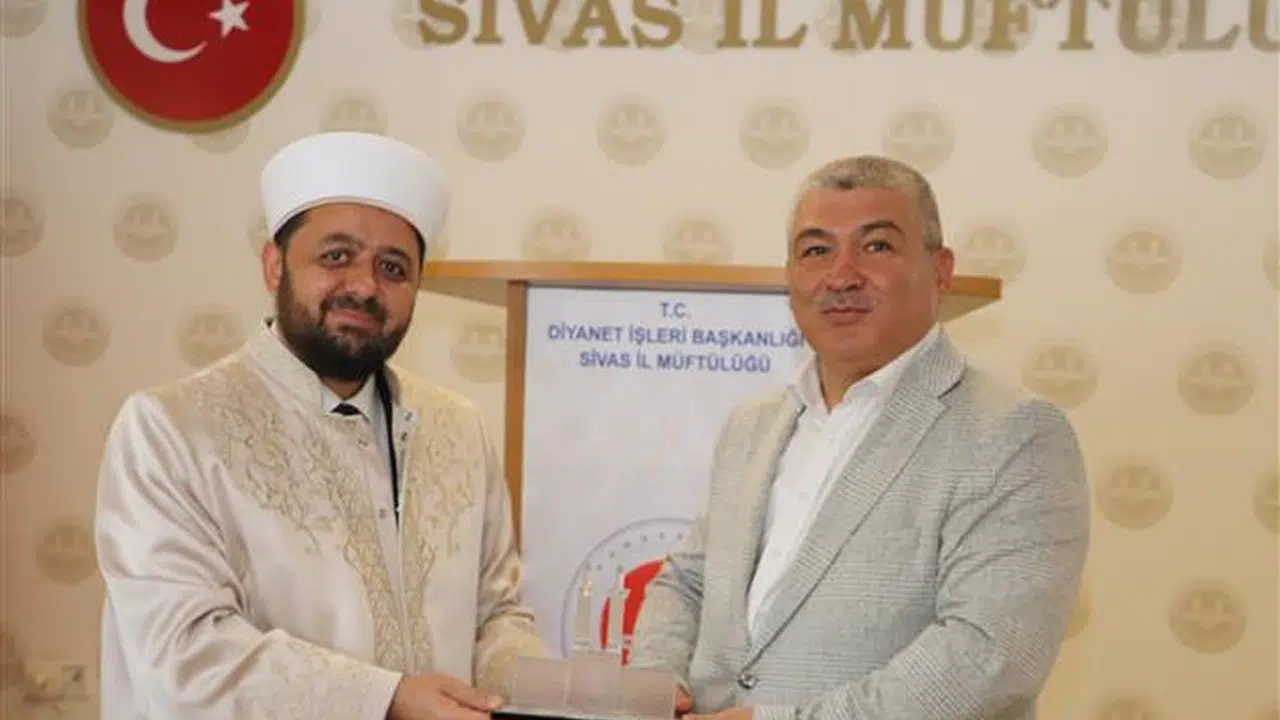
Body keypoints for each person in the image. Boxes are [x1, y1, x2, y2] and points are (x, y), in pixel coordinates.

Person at [94, 131, 548, 720]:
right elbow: (183, 655)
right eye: (336, 256)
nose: (364, 286)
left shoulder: (457, 428)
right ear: (274, 265)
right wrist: (387, 699)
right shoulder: (171, 430)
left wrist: (586, 694)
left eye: (393, 268)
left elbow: (496, 619)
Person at [628, 155, 1090, 720]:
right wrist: (656, 683)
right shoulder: (752, 425)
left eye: (876, 246)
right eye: (816, 250)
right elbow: (689, 582)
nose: (841, 275)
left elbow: (988, 656)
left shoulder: (1015, 433)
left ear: (941, 271)